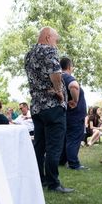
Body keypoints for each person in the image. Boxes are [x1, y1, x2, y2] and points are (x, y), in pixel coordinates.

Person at [24, 27, 73, 193]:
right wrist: (59, 91)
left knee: (39, 145)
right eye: (55, 39)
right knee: (54, 146)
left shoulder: (29, 54)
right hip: (52, 105)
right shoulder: (49, 50)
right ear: (47, 37)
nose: (56, 43)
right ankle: (54, 183)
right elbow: (56, 73)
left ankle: (40, 179)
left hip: (37, 106)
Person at [60, 57, 88, 170]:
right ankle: (74, 163)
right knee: (74, 139)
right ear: (69, 66)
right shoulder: (67, 77)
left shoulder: (59, 78)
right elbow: (74, 86)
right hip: (75, 115)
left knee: (66, 139)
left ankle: (62, 160)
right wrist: (75, 101)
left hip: (66, 114)